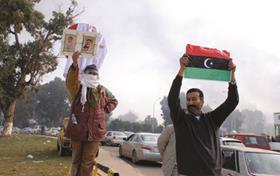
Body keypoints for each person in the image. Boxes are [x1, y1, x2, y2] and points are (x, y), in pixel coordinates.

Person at [168, 55, 239, 176]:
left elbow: (232, 101)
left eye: (194, 99)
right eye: (188, 100)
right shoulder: (181, 119)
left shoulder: (212, 119)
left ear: (202, 101)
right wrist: (181, 70)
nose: (190, 102)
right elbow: (172, 99)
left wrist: (232, 73)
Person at [65, 51, 118, 176]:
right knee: (76, 161)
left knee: (87, 162)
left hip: (95, 132)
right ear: (84, 74)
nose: (93, 75)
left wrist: (105, 110)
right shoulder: (77, 88)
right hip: (78, 130)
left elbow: (114, 101)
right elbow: (71, 81)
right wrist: (74, 63)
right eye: (90, 73)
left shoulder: (102, 90)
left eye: (95, 74)